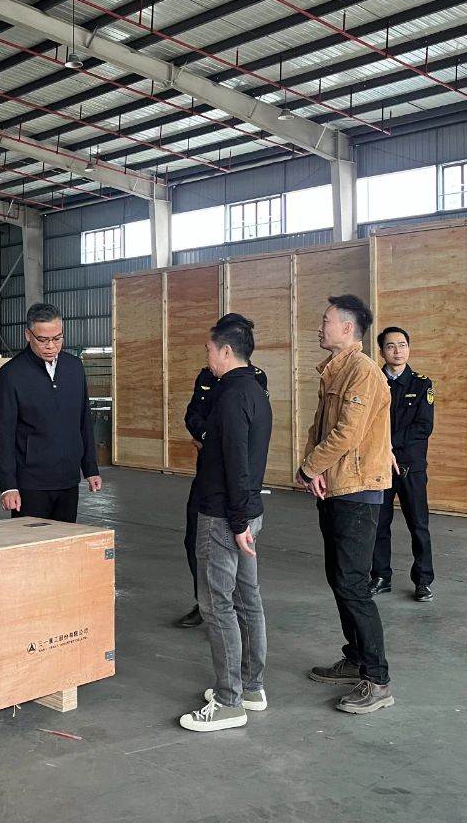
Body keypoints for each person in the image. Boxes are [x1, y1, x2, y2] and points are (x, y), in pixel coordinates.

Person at [297, 295, 395, 715]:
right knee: (340, 579)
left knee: (353, 584)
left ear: (347, 328)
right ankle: (355, 658)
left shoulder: (363, 372)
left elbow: (347, 434)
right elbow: (319, 428)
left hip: (358, 491)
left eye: (326, 321)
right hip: (337, 487)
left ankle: (377, 679)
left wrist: (308, 468)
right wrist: (315, 467)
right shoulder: (335, 370)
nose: (320, 328)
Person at [178, 313, 272, 733]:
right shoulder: (253, 389)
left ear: (226, 351)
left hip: (224, 515)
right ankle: (251, 687)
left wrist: (235, 521)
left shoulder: (232, 396)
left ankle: (230, 701)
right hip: (247, 510)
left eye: (209, 350)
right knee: (247, 598)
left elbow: (236, 461)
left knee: (218, 605)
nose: (207, 357)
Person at [175, 361, 269, 628]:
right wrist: (209, 436)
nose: (208, 355)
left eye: (211, 349)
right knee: (194, 539)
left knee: (234, 547)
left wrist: (215, 441)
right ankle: (205, 602)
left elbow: (247, 431)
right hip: (208, 473)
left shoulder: (253, 379)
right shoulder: (206, 376)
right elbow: (192, 414)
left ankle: (228, 609)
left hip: (236, 477)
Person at [0, 302, 102, 522]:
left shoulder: (74, 368)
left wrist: (90, 468)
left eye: (57, 338)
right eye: (43, 340)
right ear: (28, 335)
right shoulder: (11, 375)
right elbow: (4, 434)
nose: (51, 346)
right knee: (31, 543)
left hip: (68, 479)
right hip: (31, 483)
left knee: (65, 539)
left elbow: (84, 421)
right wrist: (8, 486)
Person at [369, 326, 436, 602]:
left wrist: (390, 447)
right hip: (378, 464)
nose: (397, 351)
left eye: (402, 345)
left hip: (410, 466)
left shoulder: (421, 384)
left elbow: (423, 426)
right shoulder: (372, 382)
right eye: (390, 346)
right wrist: (383, 450)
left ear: (409, 348)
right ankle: (380, 576)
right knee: (378, 524)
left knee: (418, 524)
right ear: (381, 351)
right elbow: (367, 424)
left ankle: (423, 580)